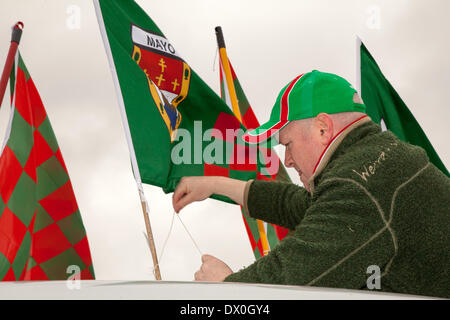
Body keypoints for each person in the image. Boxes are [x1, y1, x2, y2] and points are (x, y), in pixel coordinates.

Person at [172, 70, 450, 298]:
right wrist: (216, 184)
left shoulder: (358, 186)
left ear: (322, 128)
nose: (288, 161)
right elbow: (298, 205)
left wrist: (226, 287)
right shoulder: (377, 160)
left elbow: (290, 280)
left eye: (288, 144)